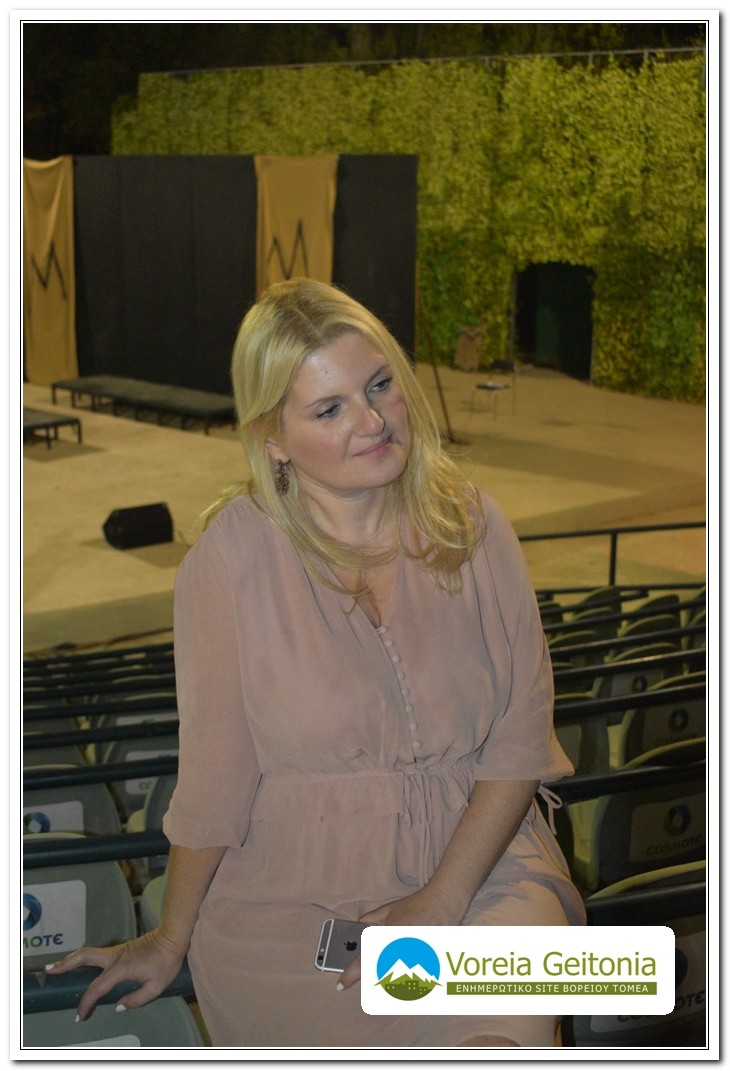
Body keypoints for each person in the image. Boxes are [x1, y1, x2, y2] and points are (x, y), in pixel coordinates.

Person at [47, 278, 586, 1048]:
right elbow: (217, 779)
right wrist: (170, 936)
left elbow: (520, 738)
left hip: (484, 867)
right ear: (273, 437)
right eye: (330, 409)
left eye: (380, 385)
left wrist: (437, 903)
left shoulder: (473, 522)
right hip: (291, 895)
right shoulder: (227, 562)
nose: (373, 420)